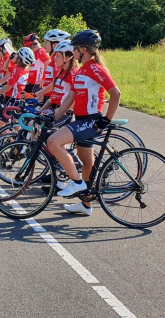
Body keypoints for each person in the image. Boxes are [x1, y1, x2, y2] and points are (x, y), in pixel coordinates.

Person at [45, 30, 121, 216]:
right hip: (81, 120)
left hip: (91, 120)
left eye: (75, 48)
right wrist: (53, 115)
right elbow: (70, 98)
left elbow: (116, 93)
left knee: (53, 142)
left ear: (83, 49)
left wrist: (106, 119)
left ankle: (77, 183)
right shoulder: (82, 71)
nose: (73, 51)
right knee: (87, 162)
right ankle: (86, 205)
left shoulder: (95, 69)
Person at [0, 47, 35, 131]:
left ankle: (13, 143)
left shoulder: (17, 70)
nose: (15, 55)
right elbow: (5, 69)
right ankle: (18, 142)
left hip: (11, 99)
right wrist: (9, 59)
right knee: (16, 124)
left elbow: (7, 88)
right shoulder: (23, 70)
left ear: (20, 59)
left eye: (17, 54)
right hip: (15, 99)